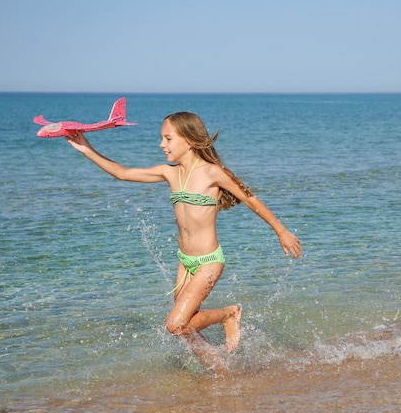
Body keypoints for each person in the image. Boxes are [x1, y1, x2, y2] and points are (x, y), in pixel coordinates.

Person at [66, 111, 302, 373]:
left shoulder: (213, 173)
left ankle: (229, 313)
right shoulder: (170, 174)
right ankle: (220, 371)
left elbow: (251, 199)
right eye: (161, 139)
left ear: (189, 140)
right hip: (185, 262)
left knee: (175, 324)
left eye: (167, 138)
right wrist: (86, 148)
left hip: (209, 262)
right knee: (185, 329)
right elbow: (122, 173)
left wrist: (281, 231)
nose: (161, 145)